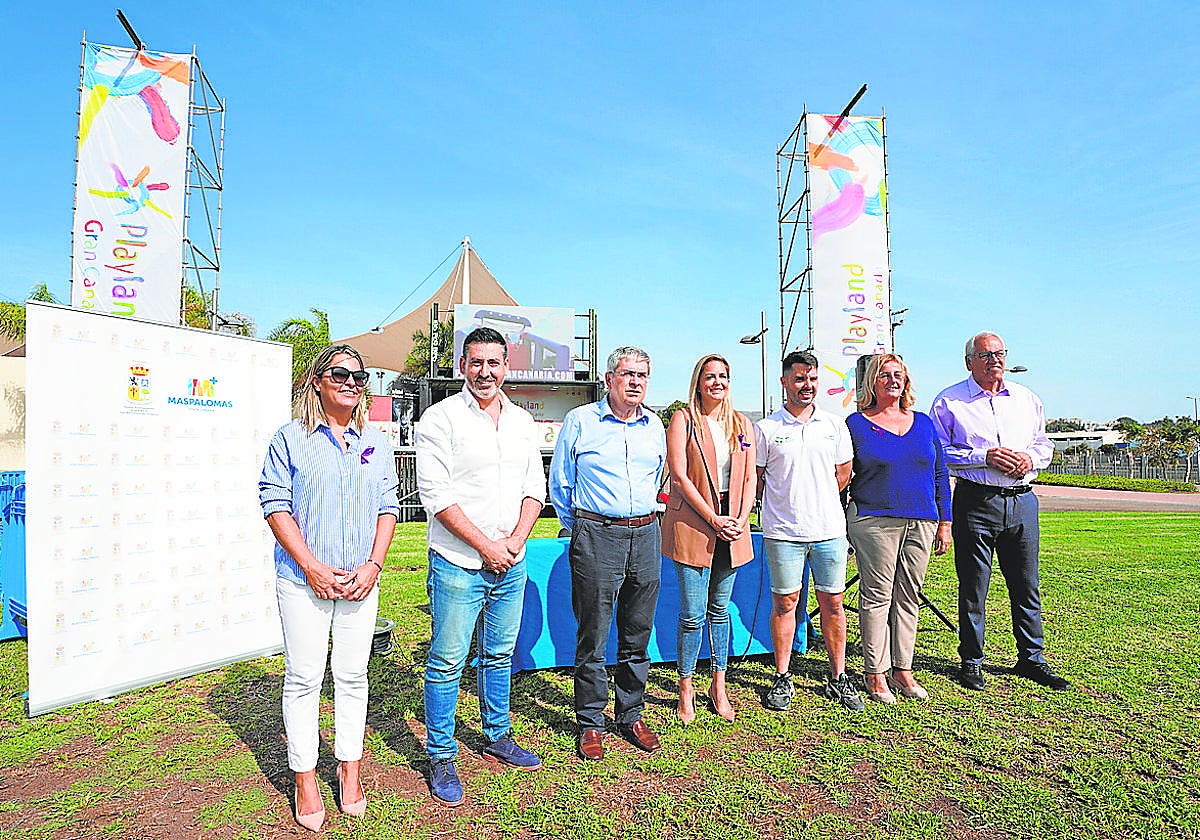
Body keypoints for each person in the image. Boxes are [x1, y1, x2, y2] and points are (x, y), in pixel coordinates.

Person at [259, 344, 399, 832]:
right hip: (302, 581)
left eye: (359, 377)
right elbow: (275, 504)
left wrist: (375, 565)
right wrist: (312, 566)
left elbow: (388, 508)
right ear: (317, 380)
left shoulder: (376, 443)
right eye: (340, 374)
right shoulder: (290, 439)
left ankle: (349, 768)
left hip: (361, 580)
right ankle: (305, 778)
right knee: (303, 678)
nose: (351, 383)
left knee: (353, 676)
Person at [415, 327, 547, 807]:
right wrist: (486, 546)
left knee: (498, 654)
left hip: (511, 561)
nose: (485, 372)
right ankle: (441, 754)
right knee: (448, 661)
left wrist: (513, 541)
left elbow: (536, 488)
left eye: (494, 363)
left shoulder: (520, 422)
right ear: (462, 366)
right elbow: (437, 497)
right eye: (476, 362)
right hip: (457, 563)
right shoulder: (440, 419)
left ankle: (497, 734)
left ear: (507, 367)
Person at [930, 331, 1070, 692]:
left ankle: (1032, 659)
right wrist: (984, 457)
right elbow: (938, 452)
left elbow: (1043, 443)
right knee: (974, 587)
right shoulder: (949, 401)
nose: (995, 360)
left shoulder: (1026, 399)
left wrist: (1031, 458)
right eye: (985, 354)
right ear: (969, 362)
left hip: (1023, 501)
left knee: (1026, 585)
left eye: (1000, 353)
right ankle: (972, 660)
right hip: (975, 501)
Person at [549, 346, 666, 761]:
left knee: (637, 633)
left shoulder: (655, 425)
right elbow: (560, 482)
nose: (635, 381)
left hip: (646, 533)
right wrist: (580, 526)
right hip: (597, 534)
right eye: (627, 374)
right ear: (609, 378)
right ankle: (590, 721)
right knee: (593, 634)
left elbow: (659, 475)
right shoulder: (581, 421)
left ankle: (631, 712)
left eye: (642, 375)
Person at [754, 350, 863, 712]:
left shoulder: (834, 425)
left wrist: (818, 503)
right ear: (784, 382)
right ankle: (782, 676)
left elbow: (843, 473)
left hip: (829, 531)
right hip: (783, 533)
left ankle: (838, 677)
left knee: (832, 603)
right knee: (785, 603)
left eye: (812, 379)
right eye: (799, 378)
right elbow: (757, 480)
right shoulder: (767, 429)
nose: (807, 385)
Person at [845, 354, 952, 704]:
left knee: (908, 597)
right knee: (877, 597)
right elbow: (845, 476)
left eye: (898, 375)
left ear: (906, 381)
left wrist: (945, 522)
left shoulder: (923, 423)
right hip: (874, 520)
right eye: (885, 375)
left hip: (921, 519)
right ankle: (875, 673)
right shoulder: (856, 424)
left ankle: (902, 669)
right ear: (872, 383)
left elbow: (939, 476)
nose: (892, 380)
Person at [661, 354, 757, 724]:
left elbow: (749, 479)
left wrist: (739, 519)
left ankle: (719, 683)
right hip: (695, 521)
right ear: (698, 382)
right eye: (710, 376)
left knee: (720, 611)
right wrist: (713, 518)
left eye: (723, 376)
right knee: (692, 614)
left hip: (733, 524)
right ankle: (686, 685)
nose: (717, 382)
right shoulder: (684, 420)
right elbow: (680, 477)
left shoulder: (742, 424)